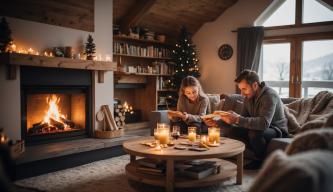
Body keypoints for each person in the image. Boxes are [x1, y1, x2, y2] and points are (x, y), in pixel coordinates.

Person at [204, 70, 288, 169]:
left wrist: (237, 119)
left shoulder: (269, 95)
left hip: (275, 129)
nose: (242, 93)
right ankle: (251, 155)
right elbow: (243, 118)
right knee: (233, 131)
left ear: (255, 85)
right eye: (241, 89)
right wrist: (217, 122)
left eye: (244, 89)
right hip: (260, 127)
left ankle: (260, 160)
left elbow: (264, 123)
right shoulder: (248, 98)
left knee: (254, 132)